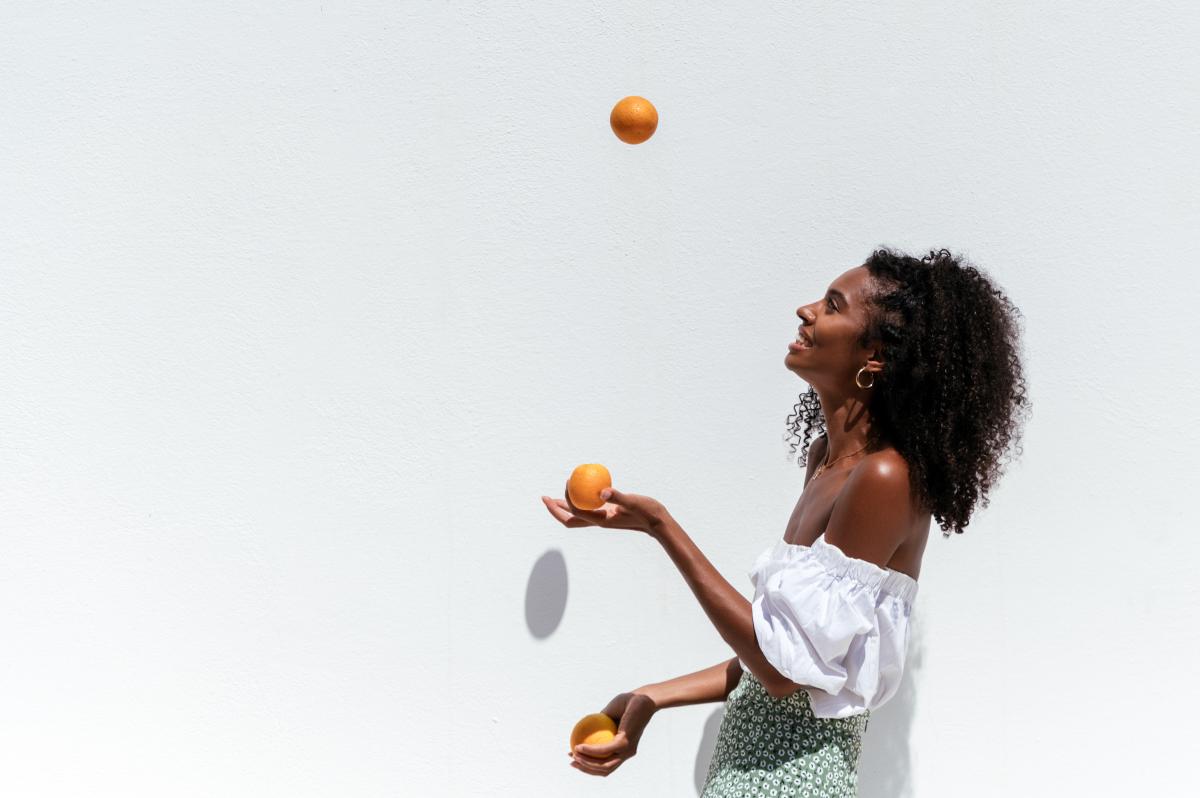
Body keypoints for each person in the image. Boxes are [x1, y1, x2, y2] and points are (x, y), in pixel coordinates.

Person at [542, 247, 1030, 796]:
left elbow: (780, 674)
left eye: (833, 305)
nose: (806, 310)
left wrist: (659, 525)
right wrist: (650, 697)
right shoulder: (824, 460)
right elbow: (780, 653)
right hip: (743, 778)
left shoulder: (885, 477)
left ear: (874, 355)